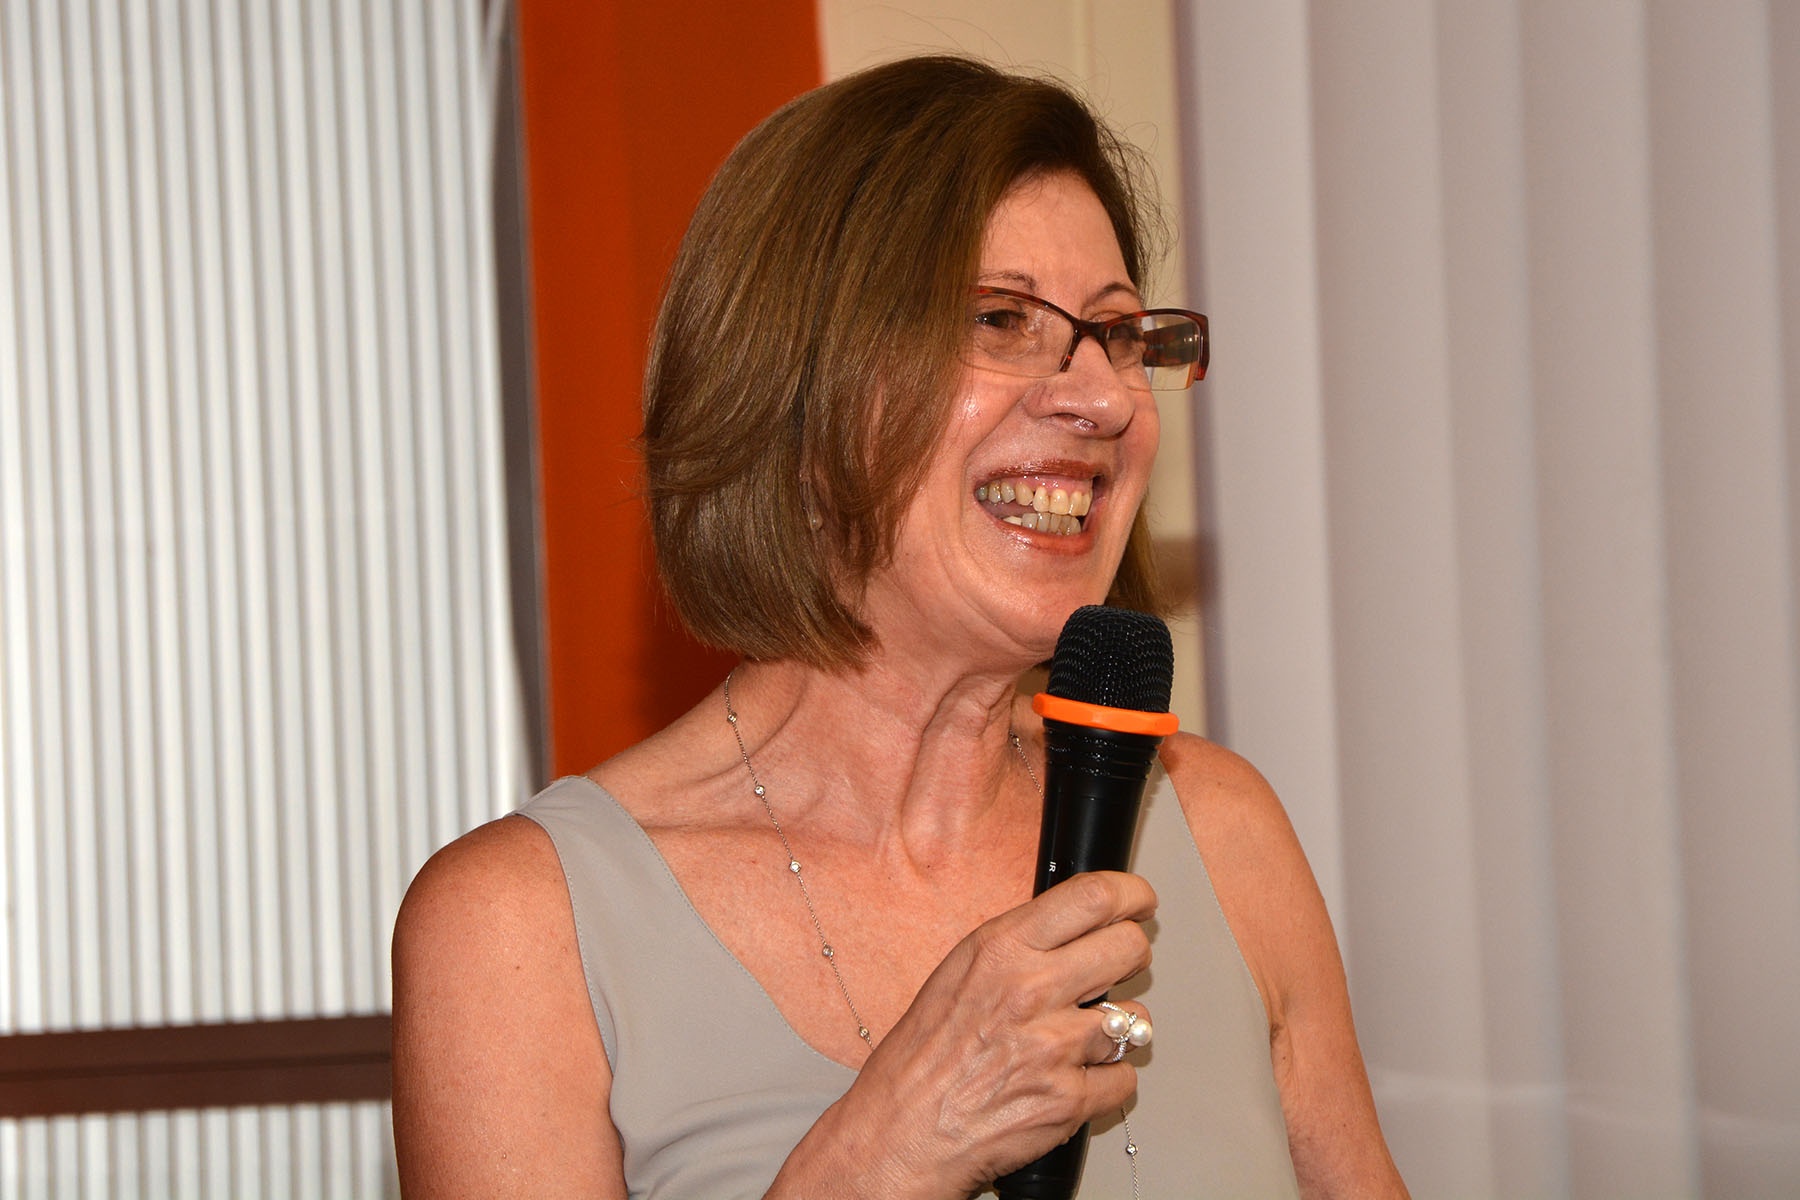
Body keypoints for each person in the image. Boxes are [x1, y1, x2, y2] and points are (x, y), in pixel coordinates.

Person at [392, 54, 1407, 1199]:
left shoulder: (1224, 831)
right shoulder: (519, 932)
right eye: (1000, 318)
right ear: (794, 386)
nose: (1106, 398)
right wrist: (875, 1160)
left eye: (1119, 336)